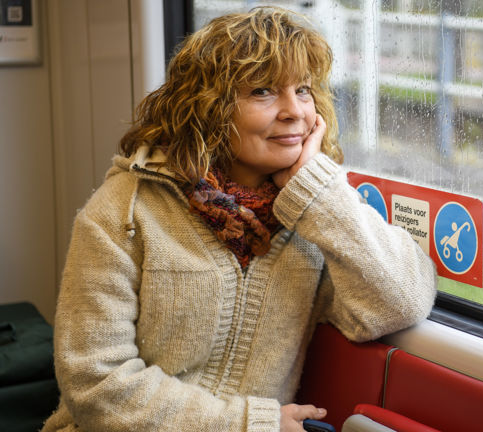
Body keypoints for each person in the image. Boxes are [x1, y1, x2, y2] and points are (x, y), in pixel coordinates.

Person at [42, 6, 436, 432]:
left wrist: (319, 191)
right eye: (263, 91)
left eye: (303, 90)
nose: (294, 112)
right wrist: (247, 425)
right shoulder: (125, 209)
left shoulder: (314, 216)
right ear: (207, 108)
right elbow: (95, 384)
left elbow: (401, 302)